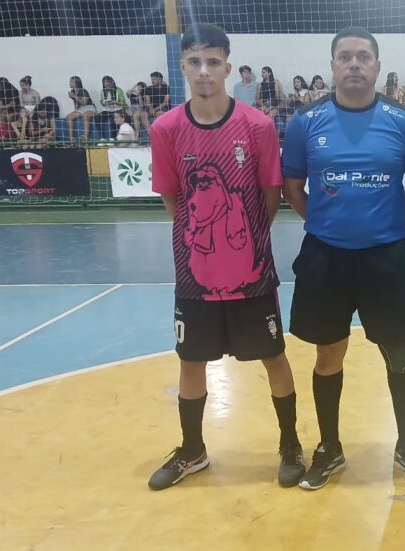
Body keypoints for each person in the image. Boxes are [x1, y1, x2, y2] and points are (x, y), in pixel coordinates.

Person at [147, 23, 304, 491]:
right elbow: (173, 199)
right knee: (190, 362)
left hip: (251, 274)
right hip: (194, 277)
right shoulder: (166, 129)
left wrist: (244, 241)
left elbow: (270, 195)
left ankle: (290, 444)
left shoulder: (256, 126)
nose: (204, 71)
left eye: (213, 62)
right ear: (182, 67)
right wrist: (200, 239)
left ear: (228, 68)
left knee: (273, 356)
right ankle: (192, 450)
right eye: (195, 61)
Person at [281, 26, 405, 490]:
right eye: (344, 56)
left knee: (399, 353)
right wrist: (326, 224)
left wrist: (390, 228)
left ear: (377, 67)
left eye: (363, 56)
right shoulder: (306, 122)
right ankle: (329, 447)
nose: (353, 64)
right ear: (332, 66)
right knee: (329, 353)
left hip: (386, 257)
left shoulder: (403, 122)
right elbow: (292, 187)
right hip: (325, 258)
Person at [65, 75, 96, 140]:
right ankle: (71, 137)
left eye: (71, 82)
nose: (69, 83)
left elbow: (84, 103)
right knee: (68, 117)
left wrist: (74, 96)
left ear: (76, 83)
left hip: (89, 107)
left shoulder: (83, 91)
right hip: (81, 109)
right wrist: (76, 110)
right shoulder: (72, 92)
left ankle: (85, 137)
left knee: (85, 116)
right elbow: (76, 104)